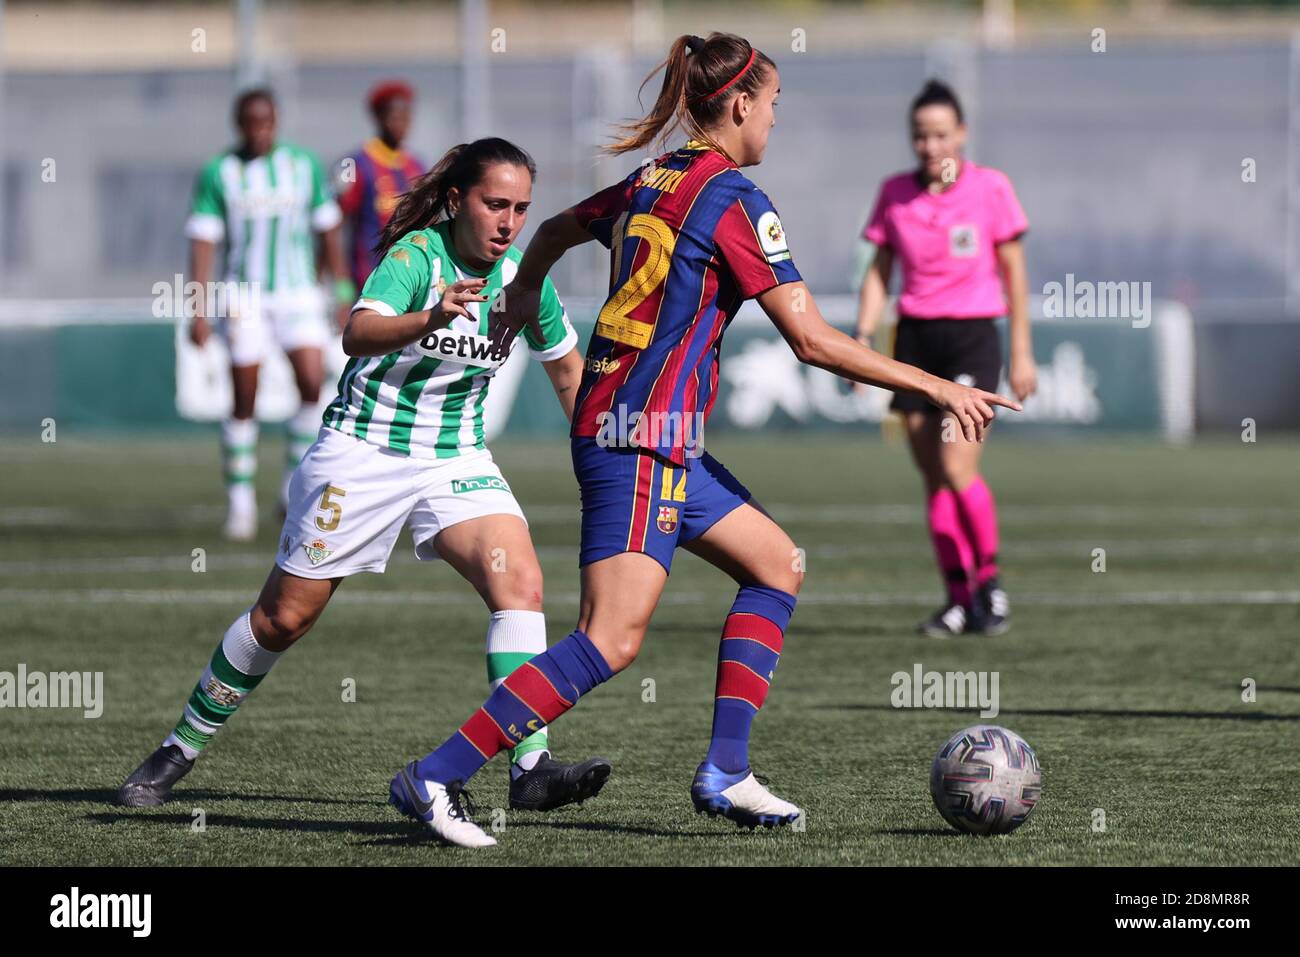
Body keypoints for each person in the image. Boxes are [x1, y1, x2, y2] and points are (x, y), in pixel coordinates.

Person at [387, 33, 1020, 848]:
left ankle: (726, 769)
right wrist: (935, 385)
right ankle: (436, 773)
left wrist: (528, 290)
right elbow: (813, 341)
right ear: (743, 104)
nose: (775, 122)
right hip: (640, 438)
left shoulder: (651, 178)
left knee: (777, 565)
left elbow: (548, 230)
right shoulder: (734, 200)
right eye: (775, 105)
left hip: (652, 436)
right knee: (610, 639)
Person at [119, 138, 611, 818]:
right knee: (283, 618)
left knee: (520, 581)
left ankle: (529, 766)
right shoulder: (416, 257)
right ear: (455, 200)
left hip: (455, 458)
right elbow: (356, 333)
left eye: (521, 208)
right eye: (495, 204)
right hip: (362, 451)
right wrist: (429, 317)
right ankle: (179, 747)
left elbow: (566, 372)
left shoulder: (526, 281)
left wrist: (608, 445)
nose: (508, 222)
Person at [853, 79, 1036, 638]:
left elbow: (1015, 274)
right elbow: (880, 272)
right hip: (915, 343)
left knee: (958, 467)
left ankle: (991, 584)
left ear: (960, 133)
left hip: (971, 339)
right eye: (919, 136)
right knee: (932, 478)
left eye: (939, 134)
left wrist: (1023, 352)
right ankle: (958, 600)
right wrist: (862, 337)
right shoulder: (895, 193)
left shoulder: (990, 189)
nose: (929, 146)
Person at [185, 88, 353, 541]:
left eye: (266, 122)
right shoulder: (221, 172)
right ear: (238, 124)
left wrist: (339, 290)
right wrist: (198, 308)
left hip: (298, 294)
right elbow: (203, 242)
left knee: (311, 385)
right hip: (246, 297)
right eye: (250, 123)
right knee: (244, 395)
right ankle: (240, 505)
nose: (259, 131)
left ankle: (288, 492)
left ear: (276, 122)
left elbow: (329, 230)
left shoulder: (303, 166)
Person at [337, 80, 426, 292]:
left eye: (406, 117)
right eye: (395, 117)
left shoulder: (416, 166)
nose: (401, 124)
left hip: (409, 277)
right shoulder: (357, 164)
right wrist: (341, 284)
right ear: (378, 118)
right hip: (367, 278)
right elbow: (335, 225)